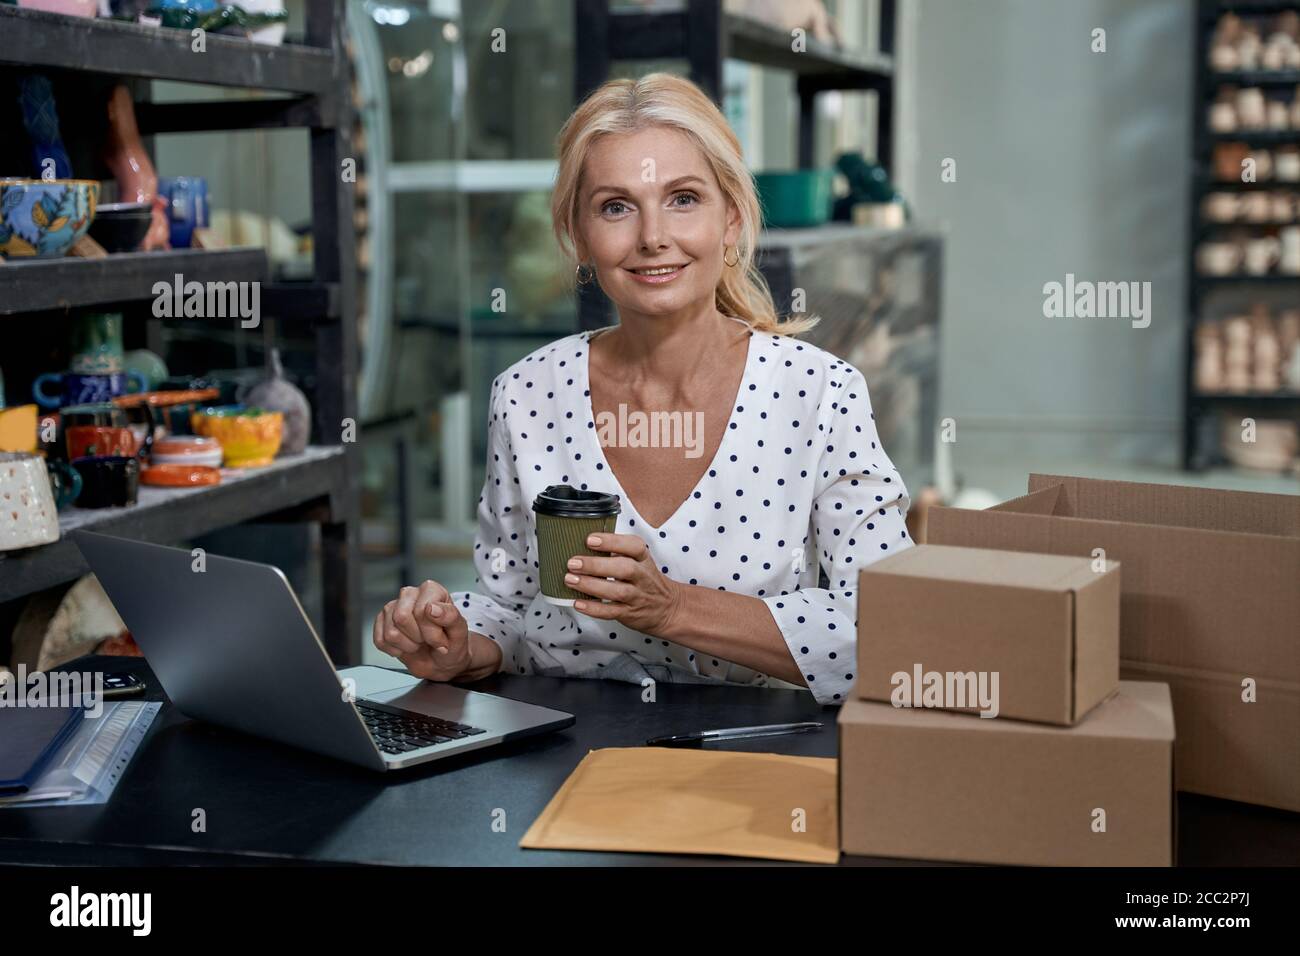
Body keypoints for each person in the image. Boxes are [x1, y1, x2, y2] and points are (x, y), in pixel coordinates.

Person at [373, 73, 913, 705]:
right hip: (566, 751)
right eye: (616, 206)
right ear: (578, 236)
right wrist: (460, 643)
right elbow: (517, 612)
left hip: (752, 757)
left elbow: (893, 634)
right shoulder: (526, 393)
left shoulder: (820, 394)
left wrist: (670, 608)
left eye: (683, 198)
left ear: (731, 219)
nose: (653, 236)